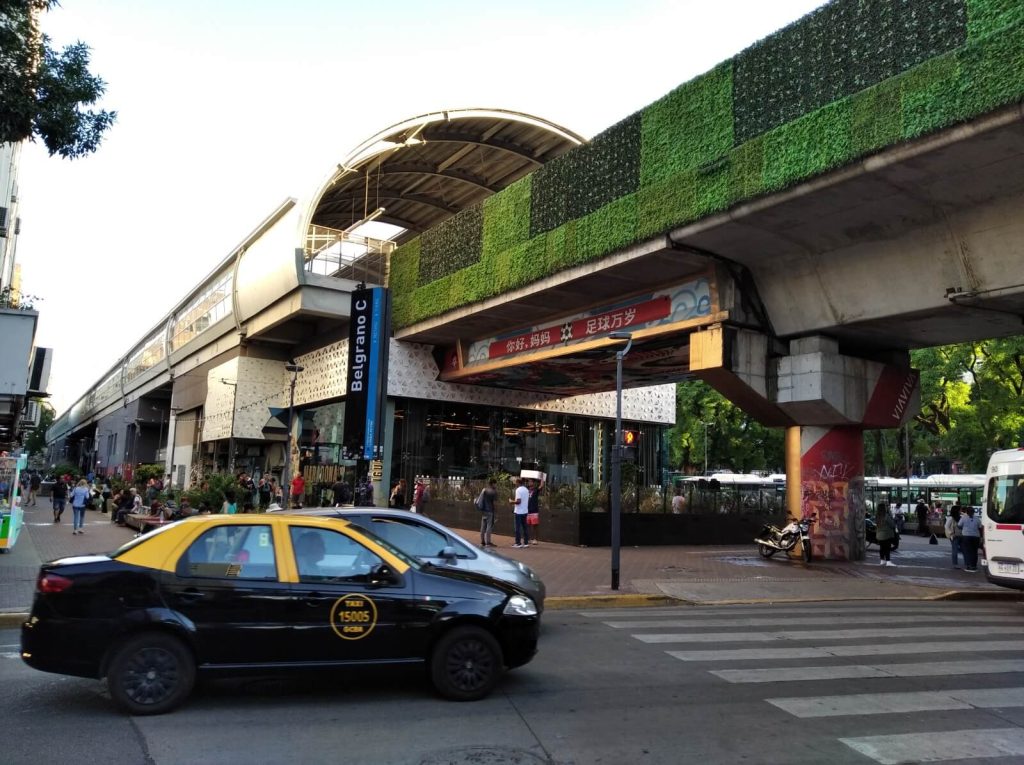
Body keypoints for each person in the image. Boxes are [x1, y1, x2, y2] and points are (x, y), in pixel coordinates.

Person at [958, 506, 983, 572]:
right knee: (974, 552)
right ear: (973, 512)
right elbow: (980, 528)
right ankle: (974, 566)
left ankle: (968, 566)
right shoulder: (977, 519)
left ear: (967, 512)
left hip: (966, 536)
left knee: (967, 551)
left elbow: (959, 525)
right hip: (976, 537)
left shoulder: (963, 518)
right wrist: (981, 537)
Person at [510, 477, 530, 548]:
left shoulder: (518, 490)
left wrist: (511, 501)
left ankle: (518, 543)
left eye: (515, 482)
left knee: (517, 528)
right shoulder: (526, 490)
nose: (515, 483)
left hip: (518, 512)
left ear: (518, 483)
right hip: (525, 511)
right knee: (525, 527)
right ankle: (526, 542)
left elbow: (518, 501)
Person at [875, 503, 896, 567]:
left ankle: (882, 560)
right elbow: (892, 524)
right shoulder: (886, 516)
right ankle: (888, 561)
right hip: (886, 535)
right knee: (887, 548)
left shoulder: (877, 516)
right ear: (884, 508)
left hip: (879, 535)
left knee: (882, 548)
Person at [479, 479, 498, 547]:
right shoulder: (494, 492)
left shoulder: (484, 490)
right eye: (495, 484)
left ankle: (482, 541)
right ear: (492, 484)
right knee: (489, 526)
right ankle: (488, 542)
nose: (496, 485)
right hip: (490, 510)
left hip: (483, 510)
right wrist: (496, 513)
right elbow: (495, 503)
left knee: (483, 526)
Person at [527, 477, 543, 545]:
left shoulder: (536, 490)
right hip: (527, 510)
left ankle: (535, 539)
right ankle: (528, 539)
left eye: (531, 481)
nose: (529, 483)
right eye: (529, 482)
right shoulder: (527, 490)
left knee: (535, 526)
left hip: (534, 510)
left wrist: (542, 479)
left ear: (533, 483)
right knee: (528, 525)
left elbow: (541, 486)